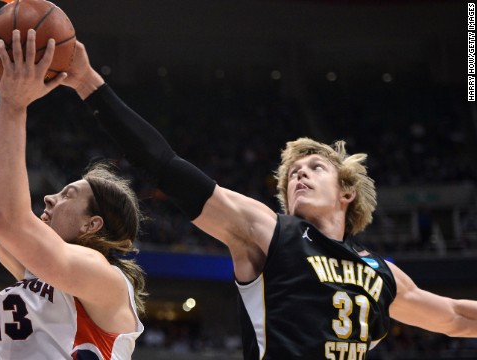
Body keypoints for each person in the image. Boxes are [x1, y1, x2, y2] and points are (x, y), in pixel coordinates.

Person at [57, 40, 477, 359]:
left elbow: (456, 317)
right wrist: (88, 82)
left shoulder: (382, 272)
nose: (299, 175)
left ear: (347, 192)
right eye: (293, 173)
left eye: (315, 168)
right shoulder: (271, 233)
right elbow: (166, 165)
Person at [0, 30, 145, 360]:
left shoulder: (104, 279)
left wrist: (16, 102)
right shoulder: (39, 268)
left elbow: (6, 219)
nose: (50, 198)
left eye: (68, 195)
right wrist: (2, 84)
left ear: (92, 224)